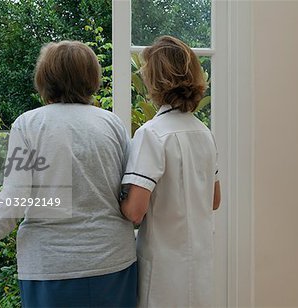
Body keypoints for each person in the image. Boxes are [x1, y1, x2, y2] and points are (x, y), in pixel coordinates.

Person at [0, 40, 137, 307]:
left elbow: (15, 197)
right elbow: (130, 189)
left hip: (52, 267)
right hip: (113, 263)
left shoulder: (29, 124)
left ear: (45, 78)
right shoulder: (112, 123)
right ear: (92, 77)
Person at [120, 35, 221, 307]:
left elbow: (134, 211)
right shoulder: (204, 133)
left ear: (154, 80)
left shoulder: (151, 135)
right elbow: (214, 200)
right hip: (199, 265)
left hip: (163, 272)